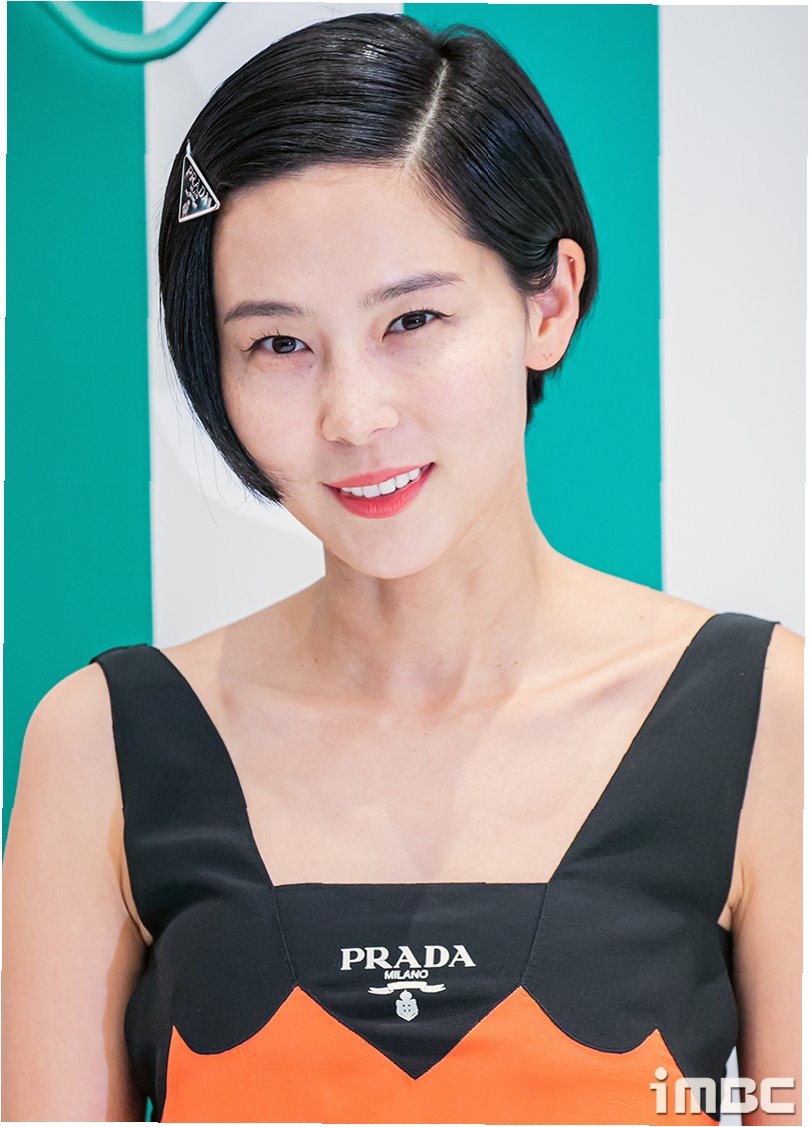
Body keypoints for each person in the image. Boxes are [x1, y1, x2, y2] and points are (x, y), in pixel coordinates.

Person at [2, 12, 802, 1124]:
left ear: (548, 302)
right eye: (279, 343)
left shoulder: (768, 719)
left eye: (412, 318)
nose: (352, 413)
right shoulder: (97, 744)